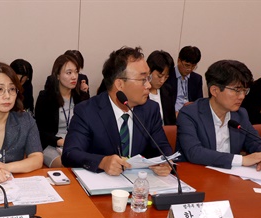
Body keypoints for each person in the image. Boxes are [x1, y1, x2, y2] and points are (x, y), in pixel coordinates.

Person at [62, 46, 173, 176]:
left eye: (148, 78)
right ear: (120, 84)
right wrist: (102, 162)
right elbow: (70, 154)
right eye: (143, 79)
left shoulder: (150, 109)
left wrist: (165, 162)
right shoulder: (87, 111)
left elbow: (163, 147)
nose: (148, 85)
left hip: (140, 186)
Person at [177, 60, 261, 176]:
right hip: (197, 177)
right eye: (237, 90)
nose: (242, 96)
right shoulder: (190, 114)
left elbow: (256, 141)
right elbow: (194, 152)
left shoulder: (240, 114)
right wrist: (242, 160)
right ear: (215, 90)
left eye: (244, 90)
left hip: (229, 179)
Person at [35, 54, 89, 167]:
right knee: (66, 165)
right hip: (52, 145)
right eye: (69, 73)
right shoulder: (45, 98)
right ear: (58, 75)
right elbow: (40, 131)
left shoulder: (81, 97)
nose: (74, 77)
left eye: (76, 72)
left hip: (77, 144)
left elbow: (89, 127)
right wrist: (59, 141)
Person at [166, 46, 204, 111]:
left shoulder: (197, 79)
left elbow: (199, 102)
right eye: (187, 65)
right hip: (172, 113)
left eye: (193, 66)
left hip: (190, 114)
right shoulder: (168, 75)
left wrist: (194, 104)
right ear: (179, 61)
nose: (190, 69)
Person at [146, 50, 176, 125]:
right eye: (159, 76)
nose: (162, 81)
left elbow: (171, 121)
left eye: (166, 77)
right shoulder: (139, 91)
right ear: (149, 71)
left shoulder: (167, 90)